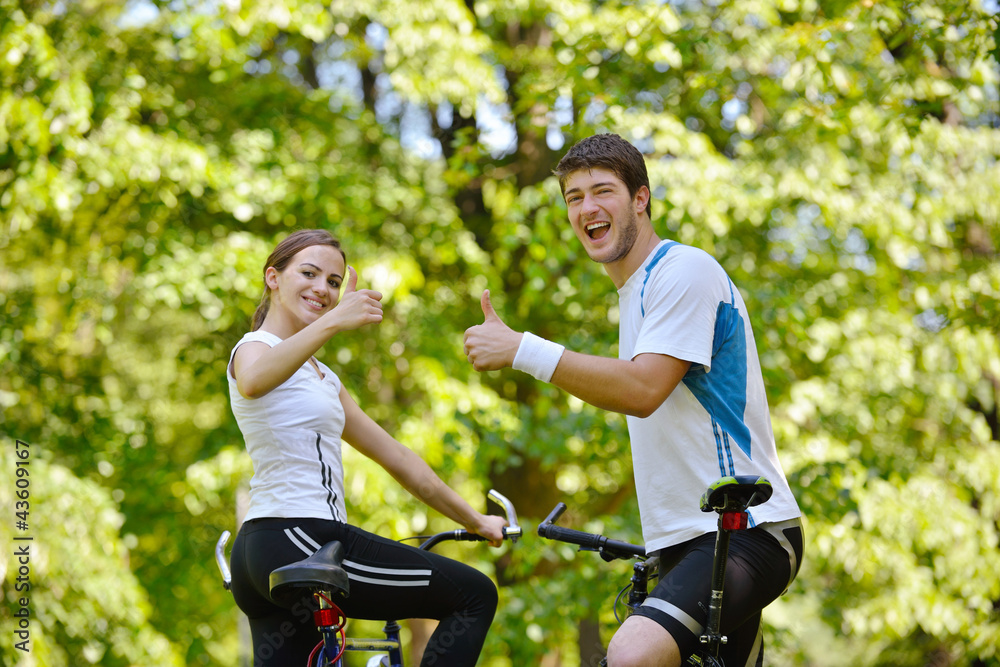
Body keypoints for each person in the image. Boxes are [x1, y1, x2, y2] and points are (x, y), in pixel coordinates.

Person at [463, 133, 803, 667]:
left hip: (744, 528)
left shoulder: (682, 272)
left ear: (640, 198)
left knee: (631, 653)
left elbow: (642, 390)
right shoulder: (635, 295)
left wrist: (522, 350)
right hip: (683, 540)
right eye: (574, 197)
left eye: (603, 191)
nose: (587, 208)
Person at [227, 229, 508, 667]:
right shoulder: (254, 348)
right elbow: (252, 379)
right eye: (309, 273)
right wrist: (333, 322)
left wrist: (475, 521)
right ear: (273, 278)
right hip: (299, 538)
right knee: (473, 596)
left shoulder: (323, 379)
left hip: (270, 553)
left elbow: (397, 458)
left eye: (334, 282)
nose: (323, 288)